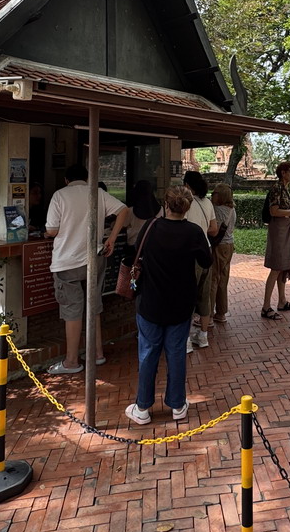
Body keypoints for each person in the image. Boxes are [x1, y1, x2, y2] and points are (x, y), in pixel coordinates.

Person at [124, 184, 212, 425]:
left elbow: (135, 255)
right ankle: (177, 405)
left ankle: (142, 407)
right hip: (181, 303)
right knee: (176, 353)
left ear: (165, 204)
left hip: (150, 302)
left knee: (148, 352)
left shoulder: (150, 228)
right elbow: (207, 261)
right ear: (187, 207)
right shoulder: (194, 232)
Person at [46, 165, 130, 374]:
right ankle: (98, 354)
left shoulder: (59, 195)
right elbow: (123, 210)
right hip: (95, 257)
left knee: (72, 310)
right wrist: (110, 238)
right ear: (87, 178)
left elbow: (52, 229)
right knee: (94, 305)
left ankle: (72, 362)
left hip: (67, 261)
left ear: (66, 180)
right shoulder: (98, 193)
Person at [262, 161, 290, 319]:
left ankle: (282, 300)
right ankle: (266, 306)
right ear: (283, 173)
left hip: (286, 230)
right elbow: (273, 211)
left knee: (283, 267)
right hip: (279, 231)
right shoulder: (277, 188)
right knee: (276, 267)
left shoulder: (286, 189)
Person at [181, 170, 219, 350]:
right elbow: (214, 230)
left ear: (187, 185)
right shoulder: (208, 202)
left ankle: (186, 339)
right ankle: (203, 336)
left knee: (187, 295)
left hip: (189, 255)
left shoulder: (186, 204)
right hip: (207, 252)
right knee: (204, 296)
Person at [209, 183, 237, 324]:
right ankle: (221, 313)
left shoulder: (217, 210)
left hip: (218, 246)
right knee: (223, 279)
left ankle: (208, 314)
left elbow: (213, 229)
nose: (212, 195)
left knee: (214, 278)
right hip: (229, 244)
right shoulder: (231, 209)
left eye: (214, 193)